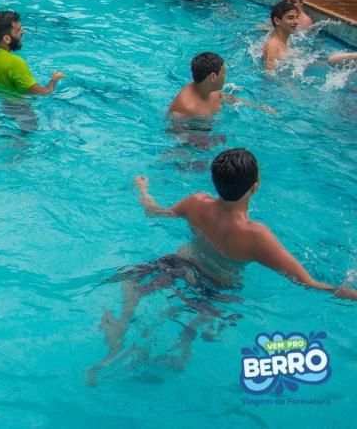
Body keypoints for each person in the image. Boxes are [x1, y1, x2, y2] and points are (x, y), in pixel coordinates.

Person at [90, 149, 357, 383]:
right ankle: (178, 352)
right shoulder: (257, 236)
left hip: (178, 264)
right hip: (215, 289)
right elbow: (306, 282)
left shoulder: (195, 202)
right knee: (186, 330)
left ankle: (120, 326)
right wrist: (342, 291)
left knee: (131, 283)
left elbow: (153, 211)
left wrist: (142, 188)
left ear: (214, 180)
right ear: (255, 186)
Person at [0, 10, 65, 95]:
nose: (22, 32)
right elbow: (43, 93)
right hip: (15, 104)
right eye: (18, 30)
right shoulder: (15, 63)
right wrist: (53, 80)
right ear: (6, 38)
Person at [168, 52, 270, 119]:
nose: (225, 76)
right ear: (213, 77)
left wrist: (259, 107)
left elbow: (229, 99)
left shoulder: (210, 89)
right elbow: (177, 135)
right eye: (224, 72)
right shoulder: (184, 109)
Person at [262, 0, 300, 72]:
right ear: (277, 21)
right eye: (290, 18)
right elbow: (269, 75)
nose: (296, 22)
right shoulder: (273, 47)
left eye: (297, 17)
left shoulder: (286, 41)